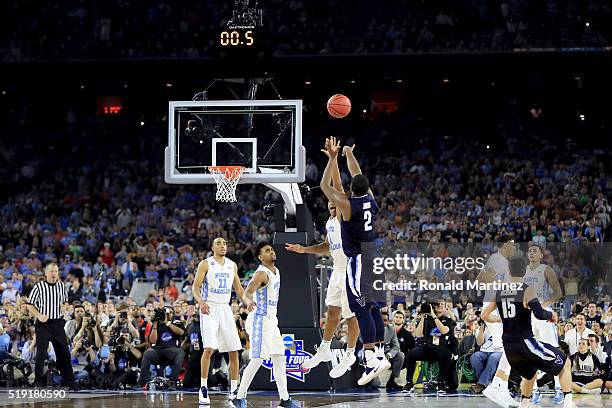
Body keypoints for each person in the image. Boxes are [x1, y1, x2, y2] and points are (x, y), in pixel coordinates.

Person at [319, 136, 390, 386]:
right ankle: (379, 352)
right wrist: (348, 153)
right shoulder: (371, 200)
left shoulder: (348, 207)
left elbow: (325, 186)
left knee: (360, 307)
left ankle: (371, 356)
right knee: (374, 307)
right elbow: (357, 173)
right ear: (367, 188)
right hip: (375, 257)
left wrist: (331, 158)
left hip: (358, 260)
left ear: (351, 190)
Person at [482, 257, 576, 408]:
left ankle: (524, 404)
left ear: (508, 271)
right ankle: (569, 402)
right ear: (525, 271)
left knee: (530, 372)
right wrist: (551, 315)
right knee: (565, 362)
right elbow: (539, 313)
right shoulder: (526, 289)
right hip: (525, 343)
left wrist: (500, 320)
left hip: (509, 348)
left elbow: (484, 316)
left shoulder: (499, 292)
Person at [285, 200, 359, 379]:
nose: (333, 206)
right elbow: (326, 246)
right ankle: (325, 348)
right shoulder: (330, 223)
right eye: (330, 204)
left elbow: (339, 193)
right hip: (337, 271)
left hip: (350, 270)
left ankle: (350, 354)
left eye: (336, 204)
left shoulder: (345, 219)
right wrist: (304, 250)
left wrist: (333, 174)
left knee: (351, 316)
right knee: (331, 312)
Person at [233, 242, 297, 408]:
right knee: (257, 359)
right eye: (267, 251)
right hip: (260, 319)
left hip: (271, 320)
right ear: (261, 257)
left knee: (279, 357)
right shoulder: (261, 273)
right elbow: (247, 293)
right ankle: (238, 397)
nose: (272, 252)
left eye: (272, 249)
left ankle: (285, 399)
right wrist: (248, 303)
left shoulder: (277, 271)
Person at [192, 237, 244, 405]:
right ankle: (203, 388)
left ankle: (234, 390)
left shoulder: (232, 265)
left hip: (225, 308)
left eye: (225, 244)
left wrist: (248, 302)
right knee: (209, 349)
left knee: (234, 351)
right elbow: (195, 287)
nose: (222, 246)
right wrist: (201, 302)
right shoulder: (205, 263)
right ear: (212, 247)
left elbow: (239, 289)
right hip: (210, 307)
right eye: (219, 243)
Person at [477, 237, 519, 408]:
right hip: (495, 304)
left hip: (498, 303)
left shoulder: (499, 260)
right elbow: (482, 279)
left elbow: (480, 277)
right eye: (512, 245)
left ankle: (500, 388)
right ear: (505, 246)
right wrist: (502, 285)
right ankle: (497, 387)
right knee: (508, 347)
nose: (514, 248)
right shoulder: (497, 259)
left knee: (509, 348)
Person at [522, 243, 564, 404]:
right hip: (527, 314)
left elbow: (558, 292)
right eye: (530, 251)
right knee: (530, 352)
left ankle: (560, 389)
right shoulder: (523, 271)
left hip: (543, 313)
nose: (531, 253)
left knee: (552, 349)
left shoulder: (546, 269)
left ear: (541, 255)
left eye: (535, 251)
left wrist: (544, 305)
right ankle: (534, 391)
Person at [24, 263, 76, 388]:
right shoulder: (39, 287)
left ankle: (69, 381)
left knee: (64, 353)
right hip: (43, 324)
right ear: (46, 273)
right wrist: (38, 315)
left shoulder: (61, 286)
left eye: (56, 271)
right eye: (52, 271)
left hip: (58, 323)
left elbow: (65, 302)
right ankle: (38, 381)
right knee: (41, 354)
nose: (54, 274)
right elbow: (29, 305)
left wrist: (66, 307)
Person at [403, 300, 457, 393]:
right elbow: (418, 334)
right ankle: (409, 382)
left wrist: (433, 315)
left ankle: (441, 382)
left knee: (447, 354)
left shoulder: (448, 320)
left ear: (445, 308)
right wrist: (423, 317)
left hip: (441, 349)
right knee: (411, 354)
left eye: (442, 304)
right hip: (427, 348)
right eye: (437, 304)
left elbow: (444, 330)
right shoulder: (427, 319)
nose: (439, 306)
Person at [136, 306, 185, 389]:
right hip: (158, 350)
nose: (167, 315)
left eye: (169, 313)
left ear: (172, 314)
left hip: (171, 350)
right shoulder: (157, 324)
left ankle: (171, 382)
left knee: (180, 352)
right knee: (147, 353)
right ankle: (142, 382)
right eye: (165, 313)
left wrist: (167, 323)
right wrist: (155, 324)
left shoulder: (177, 323)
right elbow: (152, 341)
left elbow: (181, 332)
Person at [469, 309, 503, 394]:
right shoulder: (481, 327)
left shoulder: (501, 325)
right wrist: (482, 328)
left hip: (499, 351)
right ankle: (485, 384)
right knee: (475, 357)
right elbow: (480, 342)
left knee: (493, 357)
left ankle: (481, 384)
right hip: (484, 351)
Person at [380, 311, 404, 390]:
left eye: (385, 320)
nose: (382, 322)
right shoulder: (369, 327)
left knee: (400, 355)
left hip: (385, 352)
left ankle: (391, 381)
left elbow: (396, 346)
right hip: (371, 351)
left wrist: (390, 354)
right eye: (380, 319)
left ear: (388, 321)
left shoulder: (391, 329)